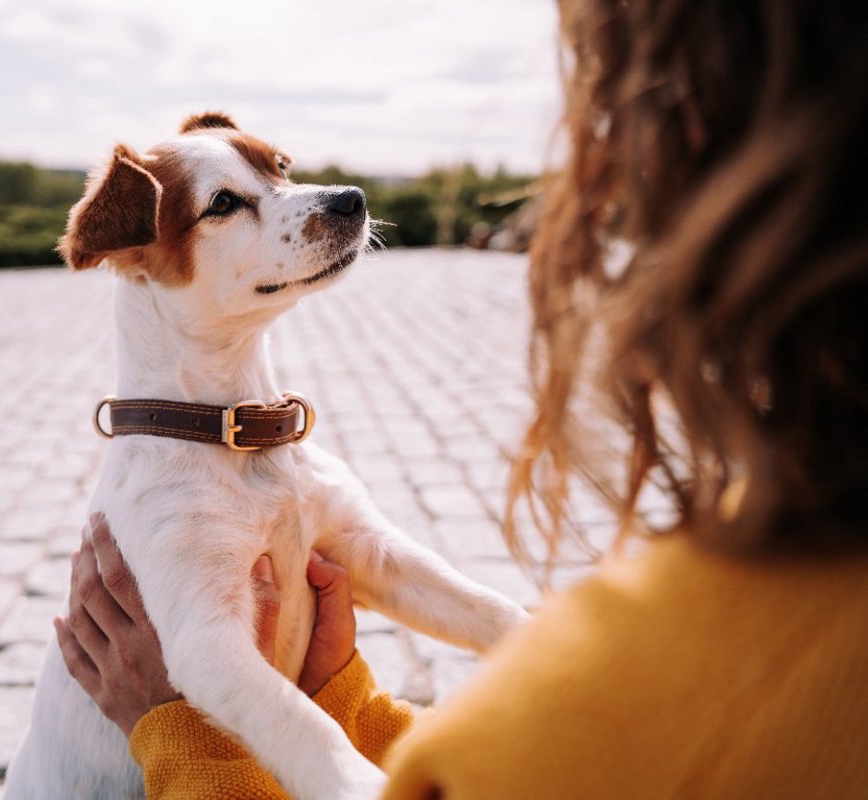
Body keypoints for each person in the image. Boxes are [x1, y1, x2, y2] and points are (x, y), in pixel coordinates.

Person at [54, 0, 868, 795]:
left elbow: (382, 566)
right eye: (229, 207)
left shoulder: (295, 462)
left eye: (278, 172)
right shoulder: (158, 499)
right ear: (134, 259)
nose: (316, 202)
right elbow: (206, 656)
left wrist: (537, 654)